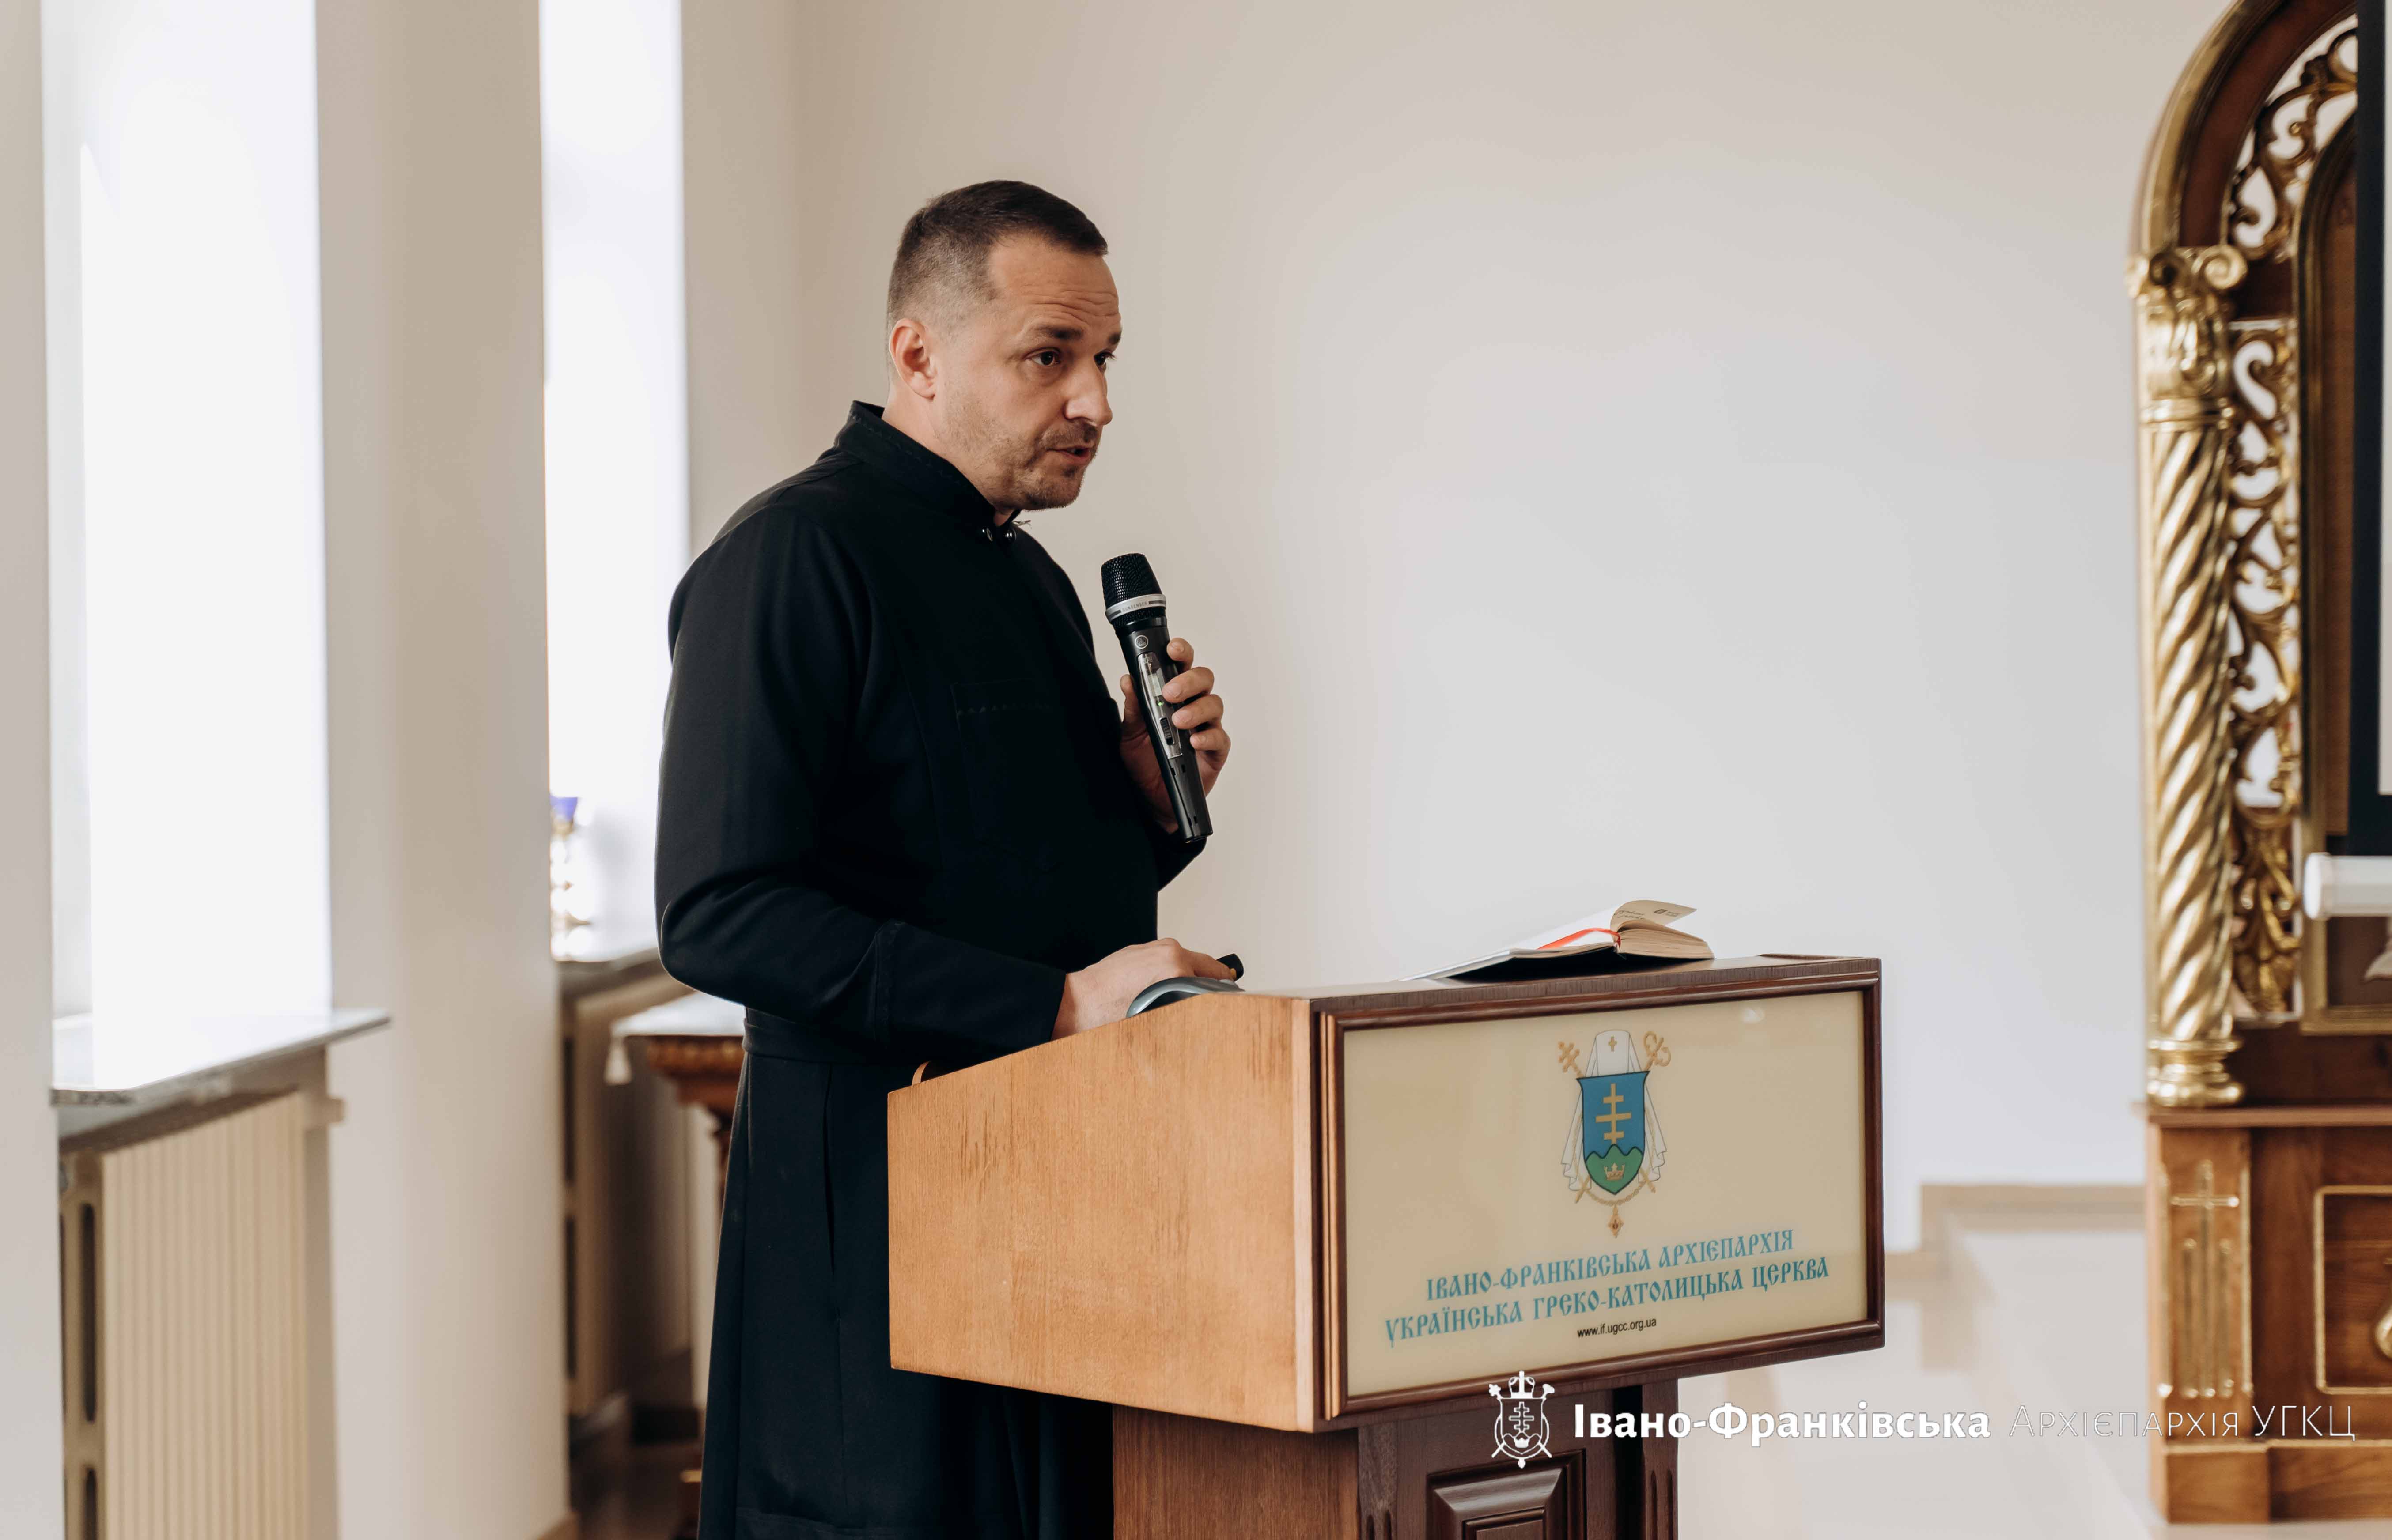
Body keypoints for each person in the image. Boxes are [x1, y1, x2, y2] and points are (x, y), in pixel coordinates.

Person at [655, 180, 1234, 1540]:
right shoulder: (792, 557)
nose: (1095, 399)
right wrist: (1051, 1006)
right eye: (1050, 356)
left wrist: (1147, 811)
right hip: (875, 1225)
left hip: (1050, 1196)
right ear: (917, 354)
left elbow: (1011, 888)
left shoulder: (1029, 579)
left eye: (1106, 359)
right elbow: (720, 911)